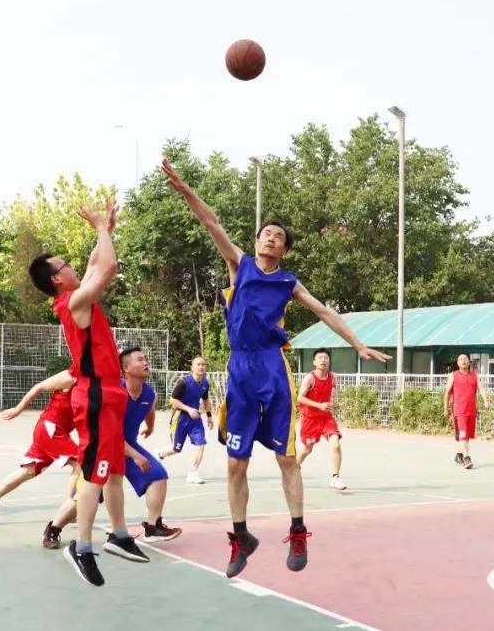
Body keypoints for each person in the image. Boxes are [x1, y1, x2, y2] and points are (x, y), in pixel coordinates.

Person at [162, 159, 390, 579]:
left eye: (279, 236)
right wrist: (185, 190)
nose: (271, 237)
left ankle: (298, 531)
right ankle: (241, 538)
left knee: (287, 458)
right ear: (256, 241)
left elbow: (325, 311)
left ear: (283, 249)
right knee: (236, 463)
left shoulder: (288, 283)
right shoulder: (240, 264)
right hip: (240, 369)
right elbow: (211, 222)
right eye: (266, 233)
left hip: (271, 366)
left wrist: (357, 343)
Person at [28, 198, 139, 587]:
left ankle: (119, 534)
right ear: (57, 279)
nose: (74, 267)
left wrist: (107, 228)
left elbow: (95, 263)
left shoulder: (76, 294)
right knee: (94, 474)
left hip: (108, 392)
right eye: (65, 266)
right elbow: (108, 267)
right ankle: (82, 545)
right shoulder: (73, 301)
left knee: (112, 469)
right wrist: (101, 229)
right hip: (94, 394)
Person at [48, 347, 182, 549]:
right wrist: (135, 455)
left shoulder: (149, 393)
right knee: (83, 498)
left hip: (129, 445)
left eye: (146, 359)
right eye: (140, 360)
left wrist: (150, 426)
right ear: (126, 368)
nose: (146, 362)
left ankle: (153, 527)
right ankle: (53, 529)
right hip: (105, 446)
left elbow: (149, 409)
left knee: (157, 475)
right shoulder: (114, 392)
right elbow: (111, 433)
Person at [0, 369, 79, 529]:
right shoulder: (70, 376)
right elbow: (39, 387)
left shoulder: (92, 382)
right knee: (80, 463)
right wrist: (18, 409)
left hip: (53, 430)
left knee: (29, 471)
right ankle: (71, 511)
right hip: (50, 428)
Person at [296, 348, 346, 491]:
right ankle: (293, 469)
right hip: (310, 419)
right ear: (314, 362)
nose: (323, 360)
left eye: (326, 358)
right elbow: (300, 398)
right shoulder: (310, 378)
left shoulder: (333, 377)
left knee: (336, 445)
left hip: (326, 418)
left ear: (329, 361)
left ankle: (335, 477)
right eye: (320, 358)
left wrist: (335, 399)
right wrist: (319, 405)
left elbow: (335, 387)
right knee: (307, 449)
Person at [158, 356, 213, 484]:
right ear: (192, 367)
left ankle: (193, 472)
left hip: (195, 419)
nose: (201, 366)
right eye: (198, 364)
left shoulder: (205, 383)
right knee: (175, 449)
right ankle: (159, 454)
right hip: (180, 418)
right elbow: (173, 400)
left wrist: (209, 415)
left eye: (203, 364)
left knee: (200, 443)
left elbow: (205, 399)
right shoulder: (183, 382)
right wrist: (188, 409)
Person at [443, 353, 491, 469]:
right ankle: (467, 458)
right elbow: (447, 393)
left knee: (466, 436)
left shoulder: (474, 375)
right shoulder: (453, 375)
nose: (463, 361)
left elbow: (481, 388)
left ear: (469, 361)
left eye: (465, 359)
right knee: (463, 434)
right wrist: (446, 408)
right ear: (457, 363)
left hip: (471, 410)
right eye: (460, 359)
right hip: (459, 410)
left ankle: (459, 455)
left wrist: (485, 400)